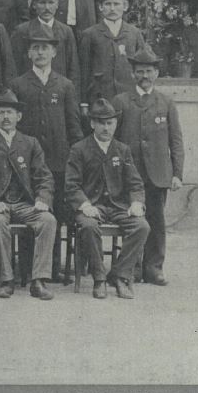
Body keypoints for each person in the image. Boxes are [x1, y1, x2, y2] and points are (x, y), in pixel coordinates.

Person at [10, 24, 84, 280]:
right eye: (35, 48)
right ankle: (26, 269)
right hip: (26, 164)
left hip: (57, 162)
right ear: (29, 53)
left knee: (54, 215)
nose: (40, 52)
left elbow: (74, 126)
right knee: (31, 212)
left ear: (54, 52)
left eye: (45, 48)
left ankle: (51, 269)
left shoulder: (65, 85)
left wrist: (74, 161)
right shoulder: (18, 84)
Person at [0, 90, 57, 300]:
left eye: (10, 112)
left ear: (19, 116)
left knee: (48, 220)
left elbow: (44, 177)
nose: (6, 117)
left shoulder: (30, 143)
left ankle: (39, 280)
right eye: (1, 113)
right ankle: (7, 279)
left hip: (25, 204)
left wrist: (42, 199)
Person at [65, 98, 149, 300]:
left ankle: (119, 275)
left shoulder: (122, 150)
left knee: (142, 226)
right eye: (101, 123)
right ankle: (99, 278)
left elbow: (135, 183)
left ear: (116, 124)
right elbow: (71, 185)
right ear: (92, 124)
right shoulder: (79, 149)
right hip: (92, 206)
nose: (106, 128)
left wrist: (136, 203)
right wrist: (84, 204)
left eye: (110, 123)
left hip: (118, 206)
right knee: (88, 226)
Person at [114, 49, 184, 286]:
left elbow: (176, 140)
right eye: (140, 71)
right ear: (133, 74)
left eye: (149, 71)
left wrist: (177, 173)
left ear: (156, 73)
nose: (144, 75)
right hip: (130, 174)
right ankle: (132, 268)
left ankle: (154, 268)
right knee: (133, 221)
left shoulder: (166, 102)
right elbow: (113, 141)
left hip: (158, 174)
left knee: (157, 222)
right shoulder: (122, 101)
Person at [78, 0, 147, 107]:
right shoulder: (90, 34)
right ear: (100, 7)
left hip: (129, 96)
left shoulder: (134, 33)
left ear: (125, 6)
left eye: (116, 4)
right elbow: (83, 71)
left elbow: (143, 66)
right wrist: (84, 102)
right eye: (108, 4)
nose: (112, 8)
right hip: (99, 97)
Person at [11, 0, 80, 85]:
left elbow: (73, 68)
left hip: (59, 89)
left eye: (51, 2)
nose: (47, 8)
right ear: (34, 5)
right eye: (42, 3)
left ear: (57, 5)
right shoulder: (22, 31)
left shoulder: (66, 32)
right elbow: (14, 66)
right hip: (29, 88)